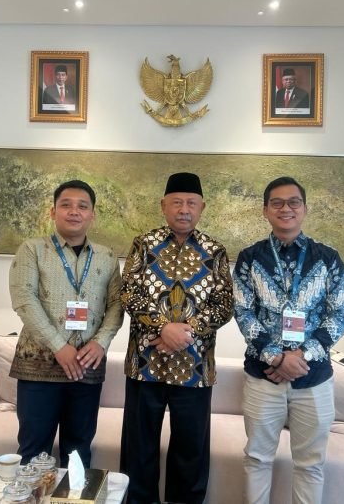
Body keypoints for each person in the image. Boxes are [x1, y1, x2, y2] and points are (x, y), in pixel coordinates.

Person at [233, 176, 344, 504]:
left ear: (304, 209)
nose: (286, 208)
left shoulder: (327, 258)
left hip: (313, 377)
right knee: (257, 458)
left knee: (311, 464)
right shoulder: (249, 258)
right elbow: (243, 313)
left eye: (293, 202)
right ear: (265, 211)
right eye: (277, 203)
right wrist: (276, 357)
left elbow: (340, 314)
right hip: (263, 377)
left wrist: (301, 356)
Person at [119, 172, 234, 504]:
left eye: (191, 203)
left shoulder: (215, 250)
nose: (184, 209)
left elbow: (224, 304)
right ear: (163, 206)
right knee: (139, 449)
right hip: (144, 365)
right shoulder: (143, 244)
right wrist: (162, 327)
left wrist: (187, 330)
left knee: (190, 451)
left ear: (201, 208)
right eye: (177, 202)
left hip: (195, 368)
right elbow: (128, 294)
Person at [8, 179, 123, 468]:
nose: (74, 211)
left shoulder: (107, 257)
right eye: (66, 205)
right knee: (34, 452)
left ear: (92, 214)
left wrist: (101, 342)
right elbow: (24, 300)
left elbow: (117, 304)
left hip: (86, 366)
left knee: (78, 453)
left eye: (82, 206)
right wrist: (59, 346)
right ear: (53, 211)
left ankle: (73, 493)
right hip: (39, 367)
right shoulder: (32, 249)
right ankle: (32, 494)